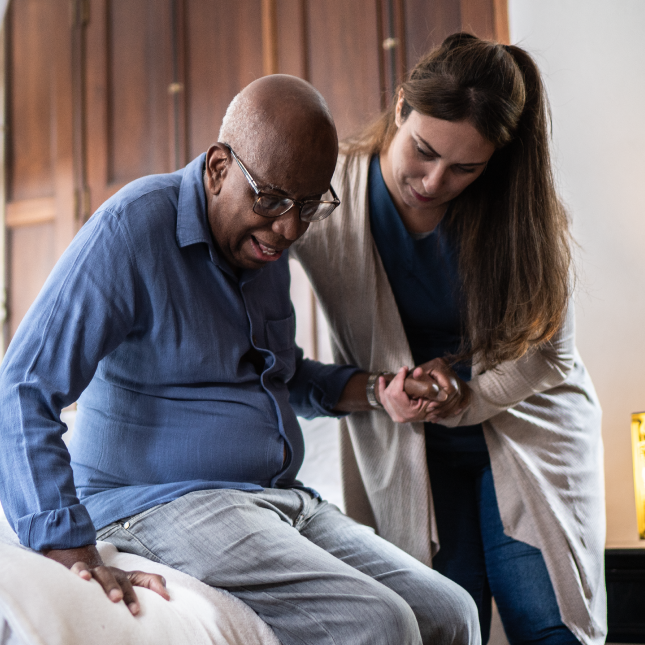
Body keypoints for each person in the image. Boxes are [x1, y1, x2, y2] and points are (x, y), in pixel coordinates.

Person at [0, 74, 480, 645]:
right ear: (218, 167)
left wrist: (379, 390)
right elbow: (23, 387)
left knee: (454, 611)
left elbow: (285, 377)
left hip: (278, 498)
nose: (289, 229)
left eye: (308, 206)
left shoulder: (261, 243)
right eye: (273, 200)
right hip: (160, 502)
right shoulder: (132, 228)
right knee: (382, 622)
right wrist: (69, 548)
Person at [291, 33, 606, 645]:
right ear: (402, 105)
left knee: (543, 613)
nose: (435, 181)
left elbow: (551, 355)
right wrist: (383, 390)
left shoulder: (519, 210)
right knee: (445, 615)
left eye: (466, 167)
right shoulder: (328, 196)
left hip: (523, 418)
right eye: (424, 151)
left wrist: (464, 399)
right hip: (410, 438)